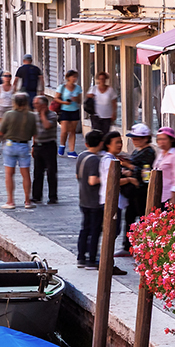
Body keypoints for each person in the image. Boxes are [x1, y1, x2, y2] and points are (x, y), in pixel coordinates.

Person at [98, 130, 134, 269]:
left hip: (114, 201)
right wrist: (130, 179)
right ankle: (107, 264)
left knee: (113, 232)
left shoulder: (114, 159)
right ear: (108, 145)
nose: (120, 145)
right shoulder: (109, 161)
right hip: (110, 201)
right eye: (116, 142)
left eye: (120, 142)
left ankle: (107, 263)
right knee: (112, 232)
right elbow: (112, 181)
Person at [0, 92, 36, 210]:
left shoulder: (9, 114)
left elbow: (0, 131)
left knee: (9, 174)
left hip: (10, 144)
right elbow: (35, 133)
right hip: (24, 145)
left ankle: (10, 201)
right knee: (26, 175)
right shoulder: (31, 116)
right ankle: (27, 201)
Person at [75, 131, 107, 267]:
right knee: (95, 231)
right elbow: (93, 180)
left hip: (83, 198)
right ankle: (92, 259)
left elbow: (78, 176)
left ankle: (81, 257)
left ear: (86, 143)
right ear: (101, 143)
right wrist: (106, 178)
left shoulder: (82, 155)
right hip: (94, 200)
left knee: (85, 229)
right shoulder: (95, 160)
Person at [30, 95, 60, 205]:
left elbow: (47, 125)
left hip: (49, 145)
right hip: (38, 145)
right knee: (37, 172)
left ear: (43, 105)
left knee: (51, 172)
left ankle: (53, 196)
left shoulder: (52, 115)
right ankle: (36, 196)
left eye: (37, 104)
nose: (35, 106)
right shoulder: (33, 116)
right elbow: (34, 132)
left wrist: (42, 114)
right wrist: (33, 146)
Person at [154, 127, 175, 207]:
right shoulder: (161, 154)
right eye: (159, 139)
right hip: (159, 194)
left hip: (169, 196)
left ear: (171, 140)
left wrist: (173, 198)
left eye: (164, 139)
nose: (162, 142)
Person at [56, 71, 84, 156]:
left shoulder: (78, 88)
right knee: (64, 130)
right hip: (64, 110)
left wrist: (76, 99)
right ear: (68, 77)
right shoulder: (62, 87)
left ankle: (71, 150)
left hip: (74, 110)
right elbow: (56, 98)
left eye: (76, 77)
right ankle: (62, 145)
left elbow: (80, 100)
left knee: (72, 131)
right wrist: (64, 102)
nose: (74, 79)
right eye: (73, 77)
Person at [87, 72, 119, 137]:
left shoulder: (110, 90)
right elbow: (88, 97)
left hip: (107, 116)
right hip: (96, 115)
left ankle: (104, 146)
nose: (102, 80)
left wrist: (114, 113)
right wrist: (91, 96)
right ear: (98, 79)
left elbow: (114, 102)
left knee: (105, 134)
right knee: (96, 133)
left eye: (103, 79)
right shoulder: (94, 88)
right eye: (100, 79)